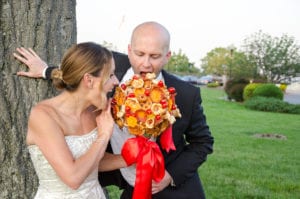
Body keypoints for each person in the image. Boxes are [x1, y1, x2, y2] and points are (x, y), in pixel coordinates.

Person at [14, 21, 214, 199]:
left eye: (154, 56)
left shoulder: (187, 94)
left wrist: (169, 176)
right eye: (139, 54)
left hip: (172, 190)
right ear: (129, 50)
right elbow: (79, 73)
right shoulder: (109, 67)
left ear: (167, 56)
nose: (145, 63)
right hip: (123, 186)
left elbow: (203, 142)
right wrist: (44, 70)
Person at [16, 42, 126, 198]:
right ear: (89, 80)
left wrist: (129, 158)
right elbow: (73, 178)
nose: (116, 82)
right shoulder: (43, 116)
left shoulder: (96, 113)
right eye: (110, 75)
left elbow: (92, 162)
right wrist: (103, 136)